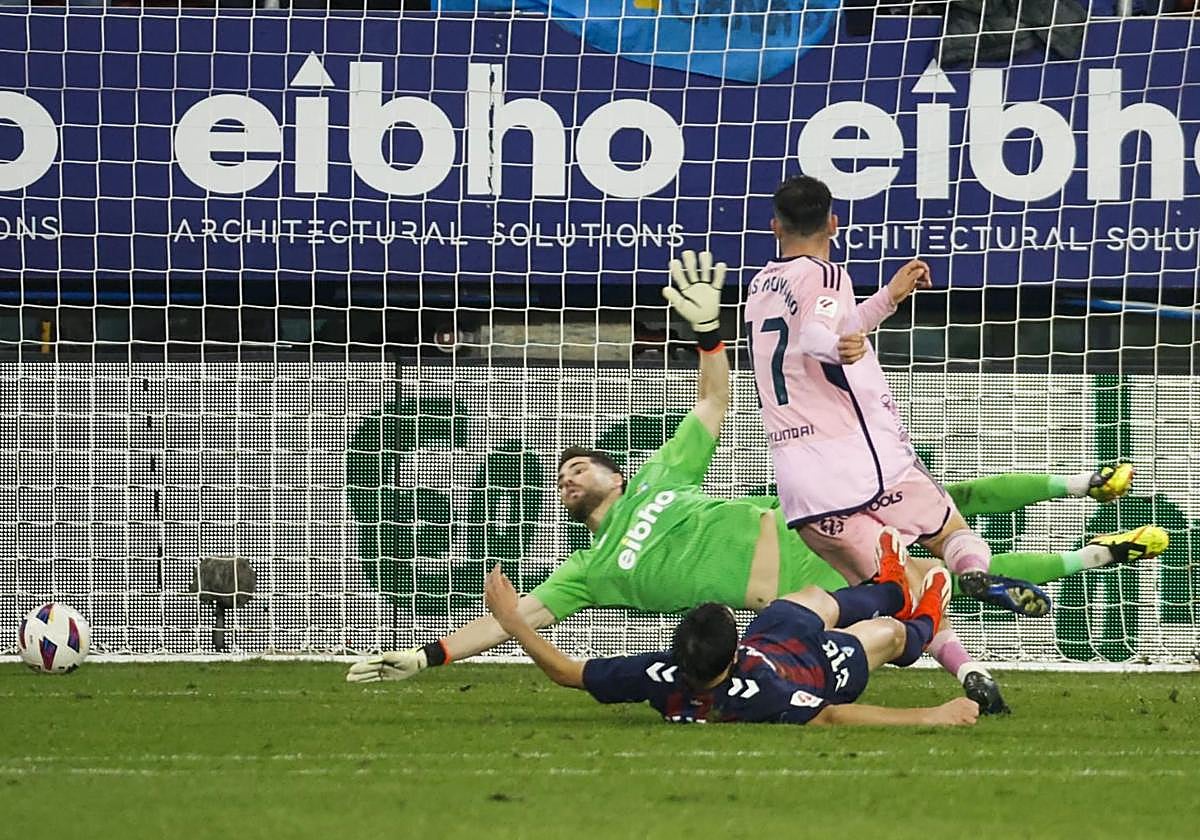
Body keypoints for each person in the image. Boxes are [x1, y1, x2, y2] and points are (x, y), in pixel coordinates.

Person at [346, 250, 1167, 714]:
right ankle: (1088, 561)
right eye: (562, 476)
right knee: (932, 593)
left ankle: (1074, 499)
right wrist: (427, 656)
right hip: (797, 605)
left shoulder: (664, 472)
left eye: (581, 462)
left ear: (616, 471)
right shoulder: (586, 571)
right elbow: (516, 617)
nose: (570, 474)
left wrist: (708, 333)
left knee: (949, 510)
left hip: (815, 526)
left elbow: (714, 396)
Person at [742, 175, 1090, 704]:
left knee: (904, 590)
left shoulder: (761, 284)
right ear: (833, 224)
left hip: (803, 485)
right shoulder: (826, 271)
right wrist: (840, 350)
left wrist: (886, 298)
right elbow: (820, 333)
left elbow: (826, 324)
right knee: (951, 533)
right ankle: (975, 572)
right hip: (864, 458)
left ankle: (971, 673)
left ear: (775, 228)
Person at [480, 531, 979, 727]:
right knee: (884, 634)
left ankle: (892, 584)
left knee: (804, 599)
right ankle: (923, 621)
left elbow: (567, 672)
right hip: (813, 669)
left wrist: (511, 622)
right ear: (733, 650)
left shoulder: (661, 674)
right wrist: (934, 715)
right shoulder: (760, 695)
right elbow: (831, 718)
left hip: (773, 642)